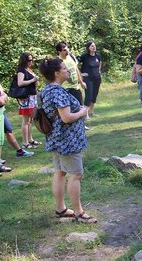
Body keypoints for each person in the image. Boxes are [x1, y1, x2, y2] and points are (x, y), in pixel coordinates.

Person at [39, 58, 97, 223]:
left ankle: (61, 209)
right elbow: (66, 118)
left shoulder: (48, 90)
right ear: (56, 73)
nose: (68, 70)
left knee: (60, 172)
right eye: (64, 68)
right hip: (67, 141)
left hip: (56, 139)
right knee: (76, 175)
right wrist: (82, 111)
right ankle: (79, 213)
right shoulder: (58, 92)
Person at [16, 52, 42, 148]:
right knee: (26, 120)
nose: (31, 62)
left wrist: (36, 81)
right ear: (24, 61)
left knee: (31, 119)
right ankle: (25, 142)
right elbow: (20, 83)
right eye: (29, 60)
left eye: (32, 60)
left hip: (32, 96)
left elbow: (35, 83)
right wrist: (32, 80)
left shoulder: (29, 70)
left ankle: (30, 139)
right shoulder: (21, 71)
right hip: (26, 97)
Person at [79, 41, 102, 118]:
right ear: (88, 48)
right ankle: (85, 114)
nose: (94, 47)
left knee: (94, 96)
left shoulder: (97, 56)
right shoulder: (84, 56)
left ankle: (91, 111)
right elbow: (75, 64)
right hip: (88, 79)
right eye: (92, 46)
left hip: (97, 78)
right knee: (88, 96)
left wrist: (99, 71)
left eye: (94, 46)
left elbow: (99, 63)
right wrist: (80, 74)